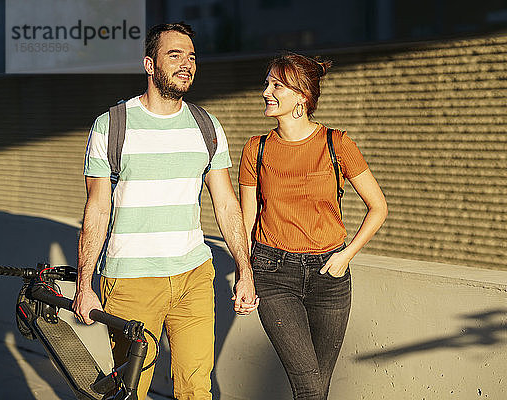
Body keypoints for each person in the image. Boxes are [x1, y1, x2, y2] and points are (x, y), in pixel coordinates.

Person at [73, 22, 258, 400]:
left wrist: (245, 270)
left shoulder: (207, 126)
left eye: (191, 57)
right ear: (149, 64)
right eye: (174, 55)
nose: (186, 64)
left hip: (194, 276)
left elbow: (225, 204)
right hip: (131, 281)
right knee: (131, 391)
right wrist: (84, 285)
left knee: (196, 389)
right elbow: (96, 209)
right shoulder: (112, 126)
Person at [238, 52, 388, 400]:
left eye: (277, 85)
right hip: (273, 274)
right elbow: (246, 220)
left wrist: (347, 255)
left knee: (318, 387)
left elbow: (378, 207)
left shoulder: (337, 143)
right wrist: (244, 273)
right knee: (308, 385)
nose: (266, 92)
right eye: (267, 84)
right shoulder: (256, 150)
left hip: (330, 275)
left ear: (302, 96)